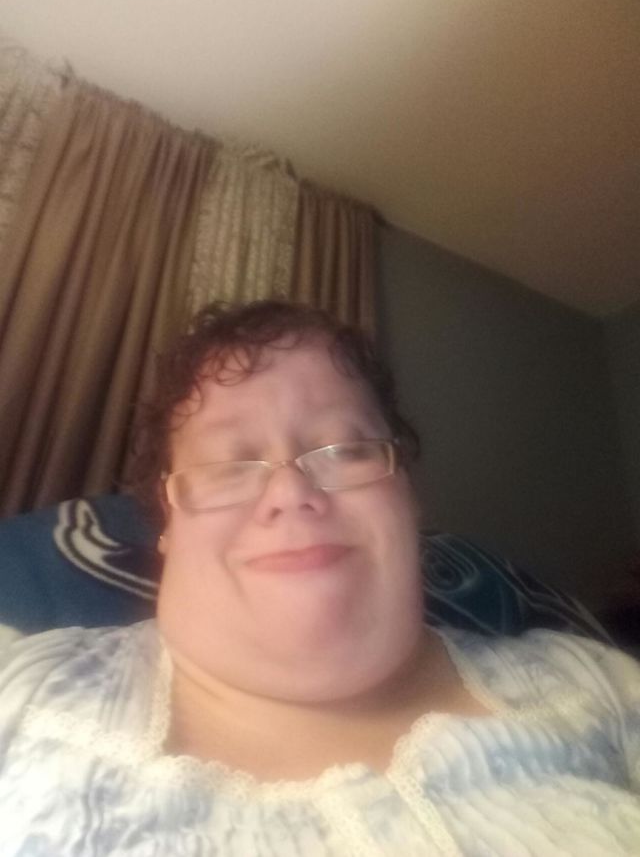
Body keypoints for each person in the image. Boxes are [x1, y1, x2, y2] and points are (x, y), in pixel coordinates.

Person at [0, 299, 639, 856]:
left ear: (407, 497)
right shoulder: (23, 694)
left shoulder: (597, 687)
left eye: (346, 450)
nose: (290, 492)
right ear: (167, 525)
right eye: (227, 465)